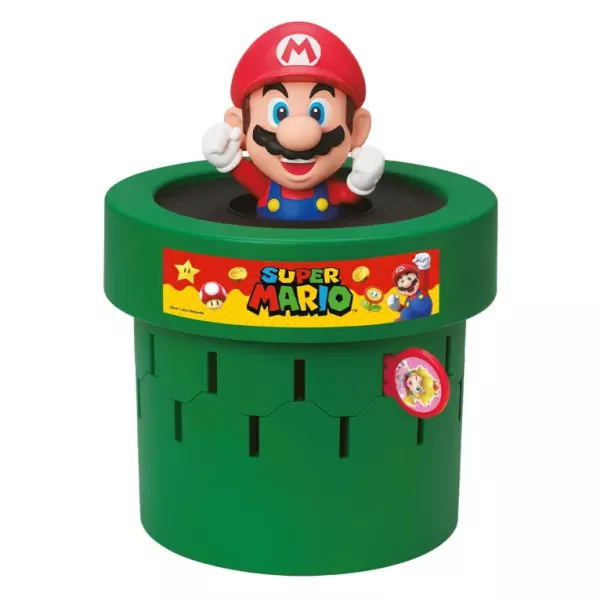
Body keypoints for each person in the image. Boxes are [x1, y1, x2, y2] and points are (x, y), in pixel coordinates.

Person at [202, 22, 385, 221]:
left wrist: (362, 182)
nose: (298, 138)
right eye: (279, 113)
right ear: (240, 126)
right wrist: (227, 158)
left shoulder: (329, 190)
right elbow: (246, 176)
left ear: (356, 130)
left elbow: (347, 195)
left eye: (318, 113)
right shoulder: (266, 188)